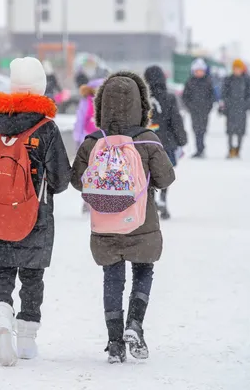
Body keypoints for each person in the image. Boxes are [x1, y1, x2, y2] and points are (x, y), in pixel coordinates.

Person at [0, 57, 71, 366]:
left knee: (1, 271)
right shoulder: (46, 127)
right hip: (33, 216)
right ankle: (26, 339)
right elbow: (62, 179)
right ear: (40, 87)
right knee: (31, 275)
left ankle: (0, 312)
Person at [71, 71, 175, 363]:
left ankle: (115, 342)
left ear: (101, 105)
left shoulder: (93, 141)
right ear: (140, 105)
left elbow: (77, 180)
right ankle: (135, 324)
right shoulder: (147, 140)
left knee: (112, 278)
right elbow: (167, 178)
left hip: (105, 226)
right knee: (144, 271)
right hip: (142, 223)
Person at [144, 65, 187, 220]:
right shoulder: (169, 98)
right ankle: (162, 196)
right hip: (165, 143)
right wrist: (182, 139)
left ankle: (151, 199)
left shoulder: (142, 97)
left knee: (147, 172)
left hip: (145, 141)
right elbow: (176, 120)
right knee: (164, 172)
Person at [73, 77, 104, 213]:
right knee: (99, 172)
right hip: (100, 141)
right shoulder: (104, 102)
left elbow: (80, 121)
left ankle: (89, 200)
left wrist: (77, 138)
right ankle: (93, 199)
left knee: (89, 172)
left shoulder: (86, 102)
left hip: (89, 140)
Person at [220, 59, 250, 158]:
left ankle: (238, 149)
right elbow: (224, 93)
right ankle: (231, 150)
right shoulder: (229, 79)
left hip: (241, 110)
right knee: (230, 131)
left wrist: (246, 105)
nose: (237, 70)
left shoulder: (247, 80)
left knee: (240, 131)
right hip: (230, 110)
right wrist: (226, 104)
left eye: (239, 68)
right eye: (235, 68)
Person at [182, 58, 216, 158]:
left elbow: (212, 96)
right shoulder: (190, 82)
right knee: (196, 129)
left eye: (201, 70)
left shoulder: (208, 82)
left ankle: (201, 148)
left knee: (203, 129)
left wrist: (208, 107)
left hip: (204, 110)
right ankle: (199, 148)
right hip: (194, 111)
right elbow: (185, 96)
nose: (199, 72)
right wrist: (190, 107)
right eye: (197, 70)